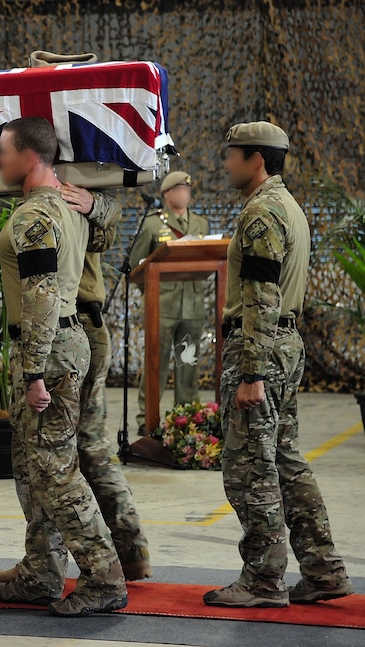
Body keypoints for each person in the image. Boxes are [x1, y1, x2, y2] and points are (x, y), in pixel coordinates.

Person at [204, 121, 353, 608]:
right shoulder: (287, 205)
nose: (226, 163)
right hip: (284, 346)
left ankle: (263, 580)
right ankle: (323, 569)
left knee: (249, 469)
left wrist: (251, 373)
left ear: (257, 160)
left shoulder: (262, 214)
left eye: (232, 155)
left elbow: (260, 298)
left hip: (260, 348)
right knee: (286, 461)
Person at [0, 187, 152, 602]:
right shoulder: (55, 199)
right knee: (44, 460)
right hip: (62, 332)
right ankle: (50, 564)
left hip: (70, 328)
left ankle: (116, 561)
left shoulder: (72, 191)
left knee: (76, 454)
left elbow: (115, 214)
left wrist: (98, 204)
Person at [130, 171, 210, 434]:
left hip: (192, 305)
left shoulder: (201, 224)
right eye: (179, 190)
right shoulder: (153, 225)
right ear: (167, 194)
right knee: (157, 363)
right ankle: (147, 419)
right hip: (162, 306)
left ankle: (187, 418)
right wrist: (152, 293)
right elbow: (135, 266)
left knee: (187, 363)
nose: (184, 194)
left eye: (187, 190)